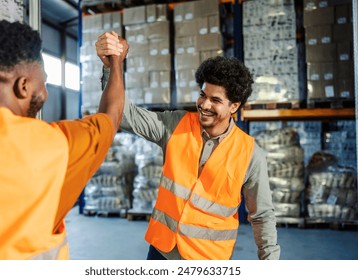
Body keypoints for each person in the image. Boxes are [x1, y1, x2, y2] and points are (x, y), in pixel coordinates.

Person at [97, 37, 280, 260]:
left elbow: (262, 215)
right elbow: (123, 115)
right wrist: (112, 66)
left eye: (215, 100)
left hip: (208, 260)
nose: (204, 105)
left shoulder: (250, 154)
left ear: (234, 106)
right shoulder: (176, 125)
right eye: (203, 94)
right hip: (162, 252)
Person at [0, 20, 128, 259]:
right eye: (43, 81)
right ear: (23, 86)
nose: (45, 92)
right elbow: (110, 117)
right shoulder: (54, 145)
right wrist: (116, 61)